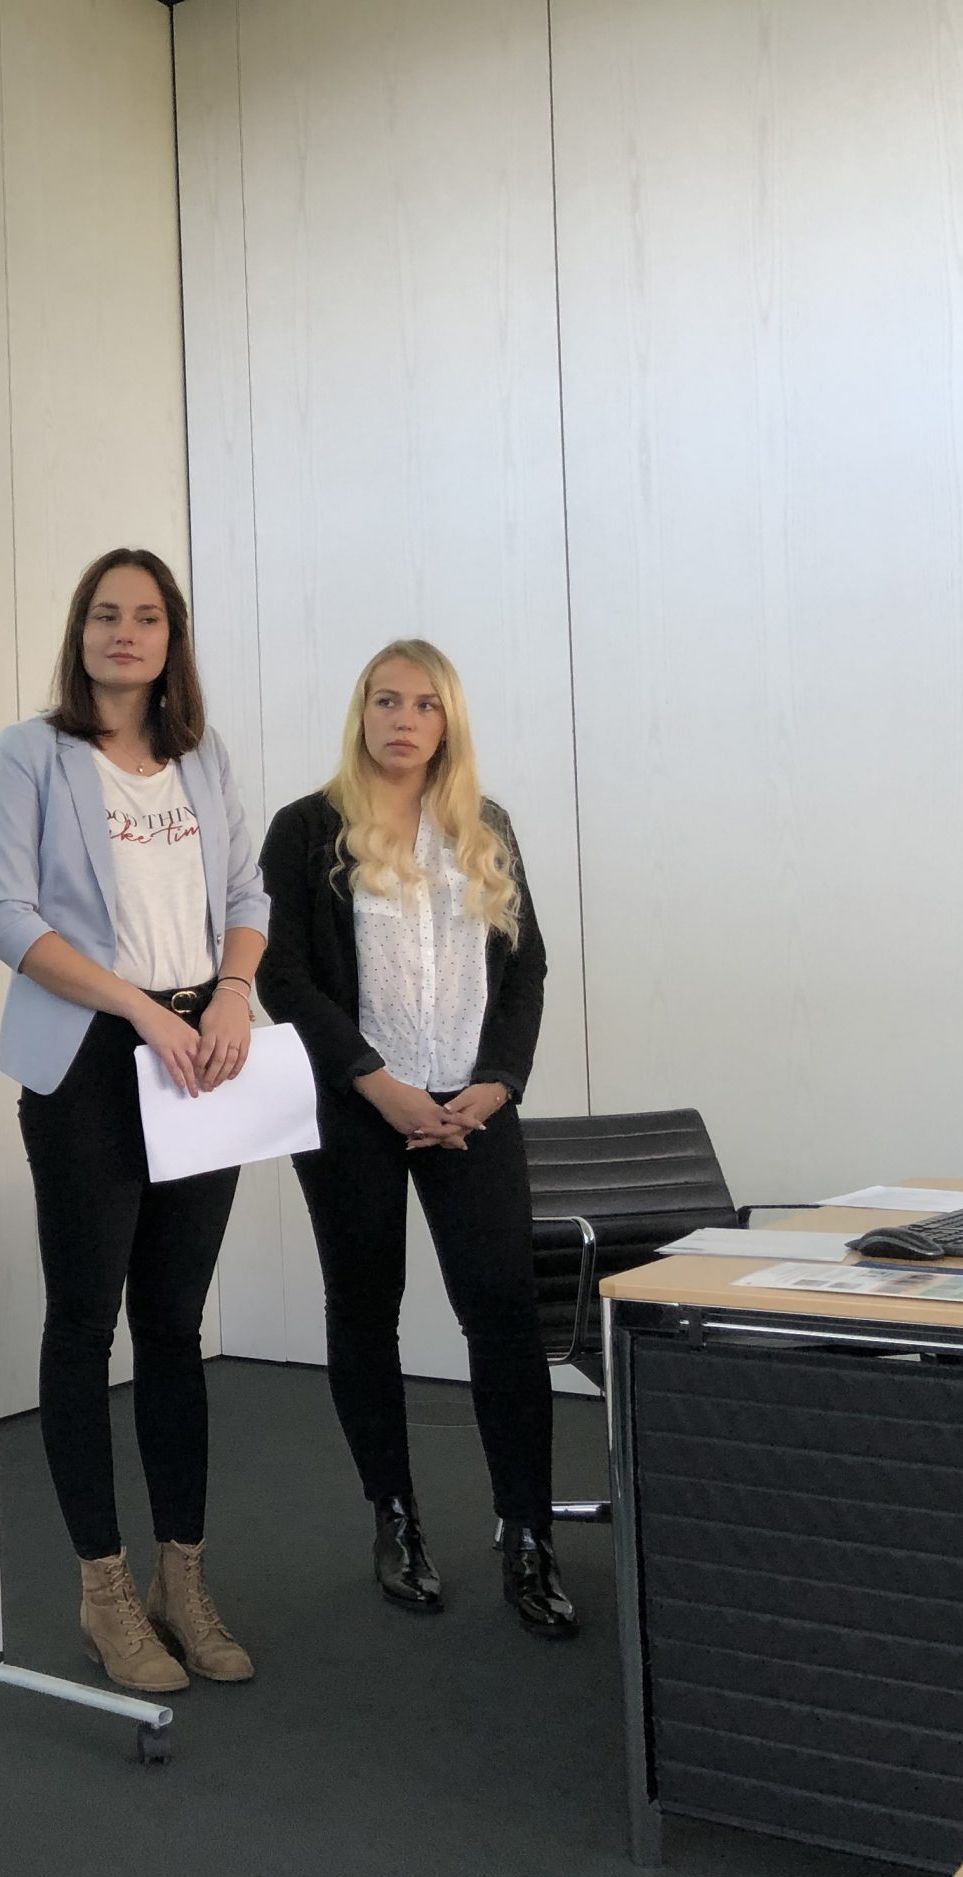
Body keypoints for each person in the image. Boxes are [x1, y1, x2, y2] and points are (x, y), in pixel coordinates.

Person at [0, 547, 271, 1694]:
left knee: (175, 1326)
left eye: (146, 617)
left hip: (203, 1051)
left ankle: (179, 1583)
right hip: (91, 1059)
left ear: (170, 638)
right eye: (105, 614)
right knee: (83, 1325)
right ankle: (104, 1594)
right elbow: (4, 914)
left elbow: (245, 894)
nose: (124, 633)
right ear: (80, 632)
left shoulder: (202, 756)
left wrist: (231, 991)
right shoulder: (32, 752)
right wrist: (141, 1008)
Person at [255, 640, 575, 1638]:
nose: (404, 721)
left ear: (449, 721)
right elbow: (281, 975)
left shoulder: (486, 826)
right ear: (362, 711)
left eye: (425, 705)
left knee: (503, 1312)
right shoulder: (306, 827)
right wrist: (373, 1080)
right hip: (357, 1105)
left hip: (471, 1109)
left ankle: (527, 1531)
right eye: (387, 701)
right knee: (364, 1308)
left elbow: (525, 968)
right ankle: (393, 1518)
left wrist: (498, 1083)